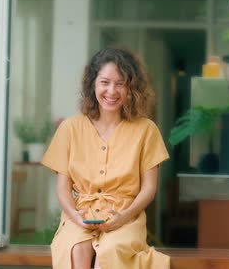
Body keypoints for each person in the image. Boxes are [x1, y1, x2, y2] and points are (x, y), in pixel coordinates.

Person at [41, 46, 170, 269]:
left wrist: (124, 216)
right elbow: (63, 188)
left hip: (125, 217)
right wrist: (74, 215)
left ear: (131, 88)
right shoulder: (70, 128)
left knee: (108, 255)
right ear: (93, 84)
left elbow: (149, 188)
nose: (112, 91)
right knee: (77, 248)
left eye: (120, 83)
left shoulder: (146, 130)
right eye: (105, 82)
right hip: (79, 215)